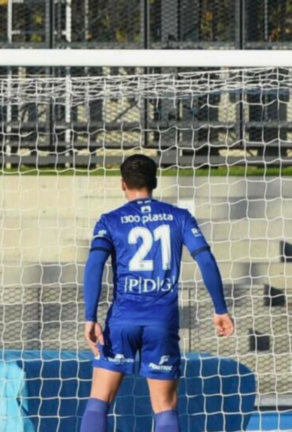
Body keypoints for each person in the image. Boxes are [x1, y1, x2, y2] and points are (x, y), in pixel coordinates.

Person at [81, 154, 235, 432]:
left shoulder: (109, 220)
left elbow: (94, 265)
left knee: (99, 401)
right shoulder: (180, 217)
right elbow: (205, 259)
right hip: (162, 322)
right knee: (164, 408)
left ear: (123, 184)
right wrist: (220, 309)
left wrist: (90, 317)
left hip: (122, 320)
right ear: (154, 182)